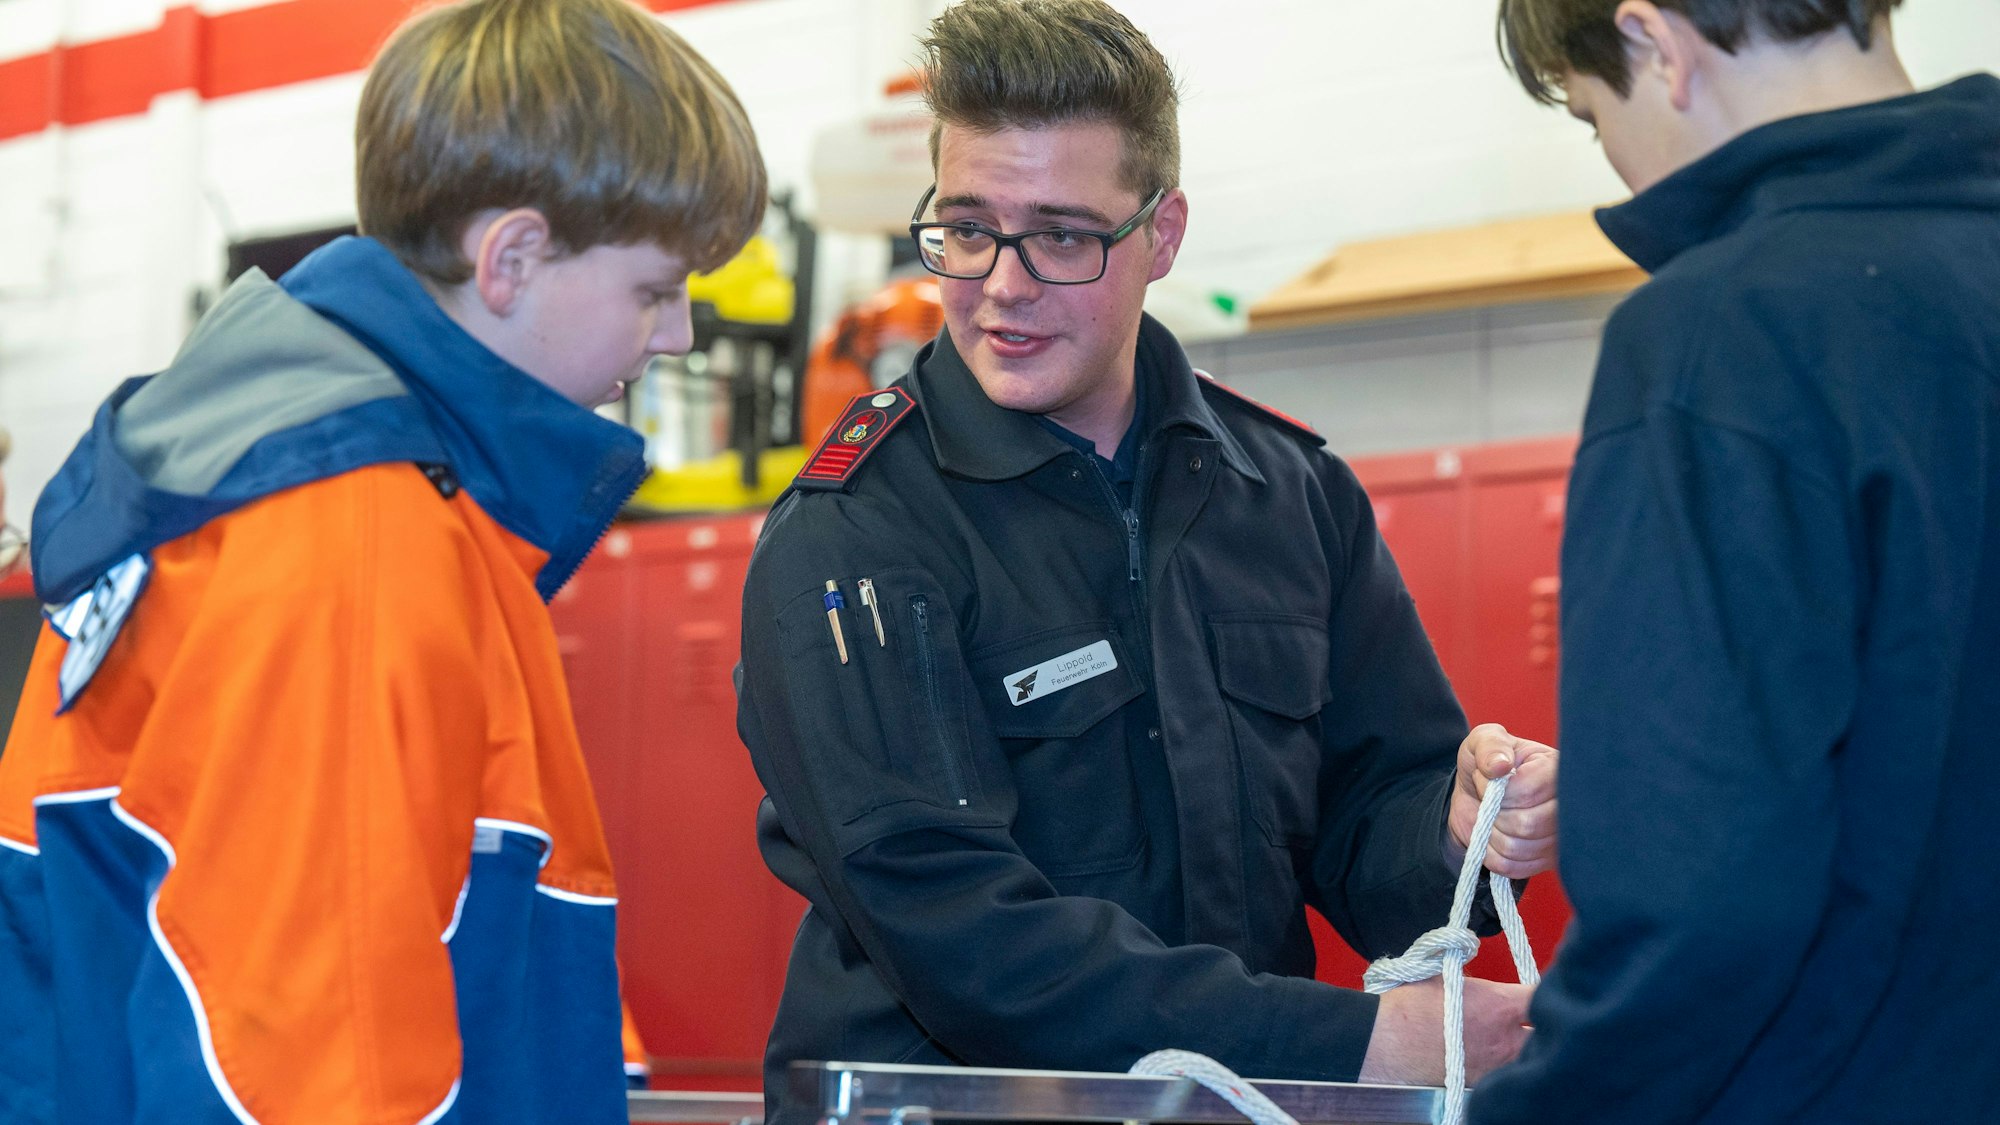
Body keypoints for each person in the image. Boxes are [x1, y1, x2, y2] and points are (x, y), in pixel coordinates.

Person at [735, 4, 1558, 1123]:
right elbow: (957, 932)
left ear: (1160, 236)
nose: (1002, 286)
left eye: (1062, 236)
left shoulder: (1291, 492)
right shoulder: (855, 534)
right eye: (966, 229)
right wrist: (1347, 1044)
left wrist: (1457, 826)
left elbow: (1375, 834)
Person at [0, 0, 765, 1120]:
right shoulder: (351, 536)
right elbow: (304, 1060)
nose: (676, 336)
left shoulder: (362, 497)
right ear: (511, 257)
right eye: (655, 289)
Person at [1470, 2, 2000, 1122]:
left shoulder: (1724, 336)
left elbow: (1698, 898)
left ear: (1655, 43)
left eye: (1586, 114)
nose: (1610, 157)